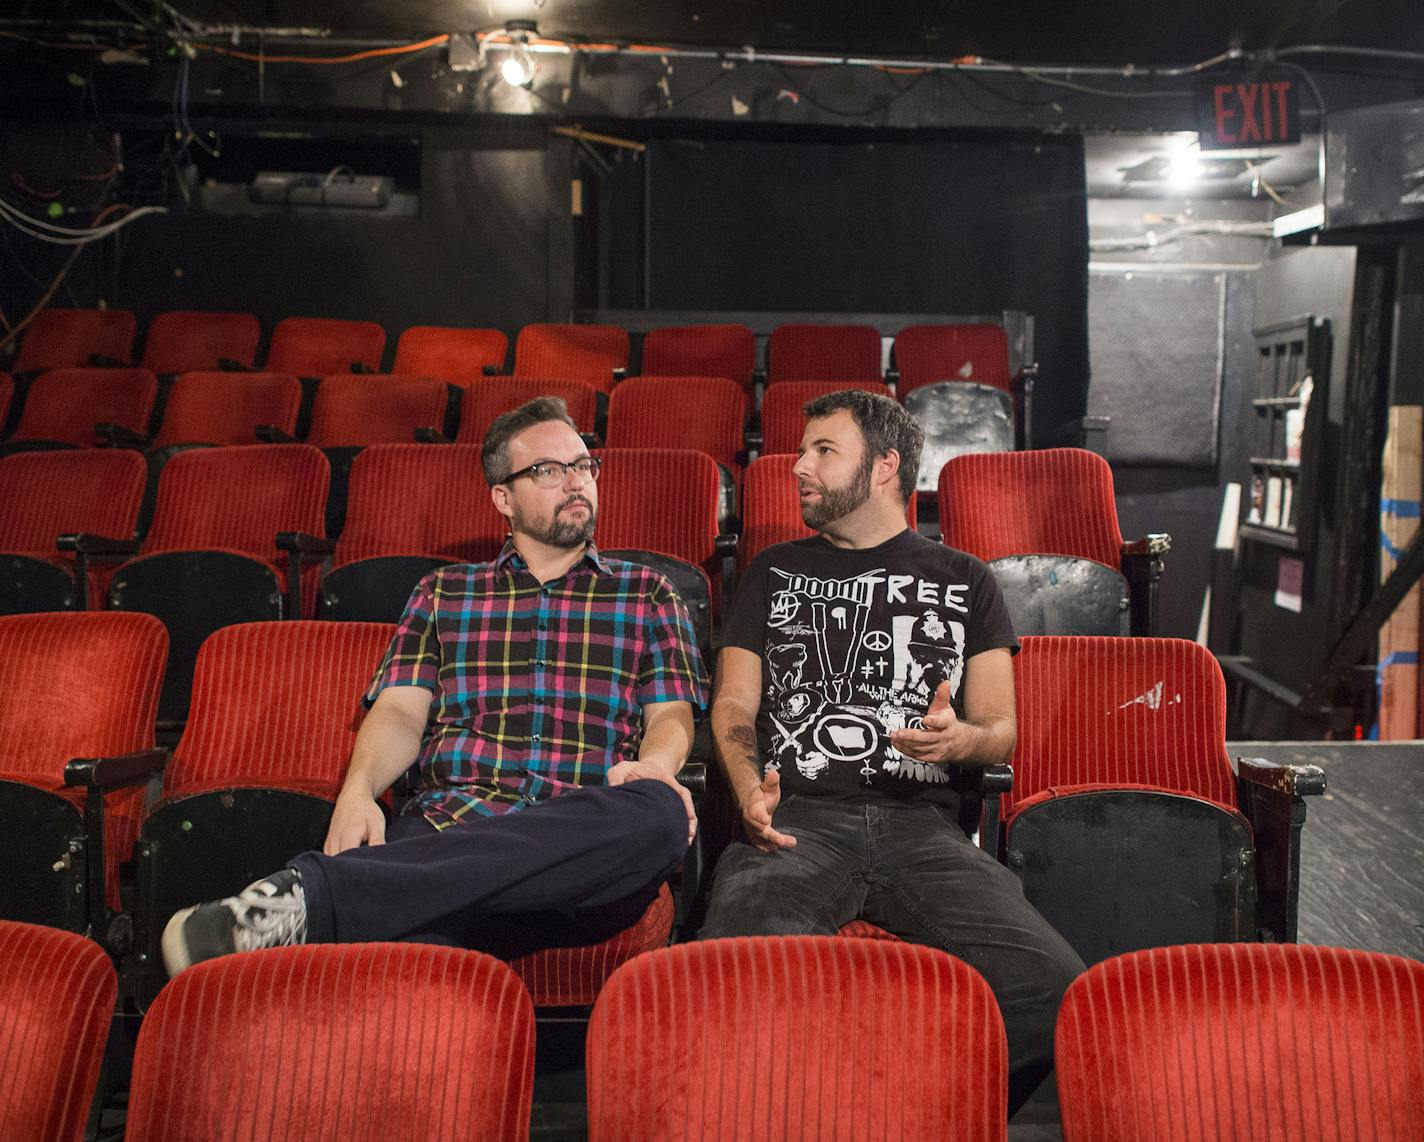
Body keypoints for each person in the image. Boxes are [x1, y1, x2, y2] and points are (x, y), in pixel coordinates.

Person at [163, 396, 706, 972]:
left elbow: (671, 715)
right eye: (548, 471)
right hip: (455, 819)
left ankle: (315, 896)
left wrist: (656, 768)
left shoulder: (648, 592)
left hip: (582, 840)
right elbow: (400, 712)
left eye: (582, 465)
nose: (575, 482)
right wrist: (358, 792)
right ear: (503, 496)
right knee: (417, 974)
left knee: (660, 811)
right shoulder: (443, 592)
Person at [700, 389, 1083, 1114]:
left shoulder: (966, 578)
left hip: (923, 829)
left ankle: (920, 1115)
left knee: (1052, 989)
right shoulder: (771, 571)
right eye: (802, 450)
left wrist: (960, 738)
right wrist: (748, 787)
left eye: (823, 451)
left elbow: (1001, 728)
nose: (797, 468)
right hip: (795, 822)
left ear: (884, 468)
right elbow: (733, 704)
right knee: (732, 980)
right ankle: (804, 1118)